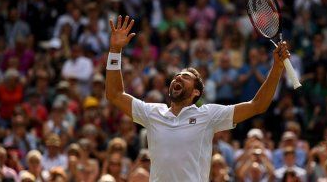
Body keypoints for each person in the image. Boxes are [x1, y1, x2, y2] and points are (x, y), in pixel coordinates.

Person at [105, 15, 291, 181]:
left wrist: (277, 68)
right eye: (177, 76)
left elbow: (258, 105)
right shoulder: (152, 112)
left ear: (196, 92)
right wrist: (115, 51)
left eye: (185, 77)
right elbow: (114, 94)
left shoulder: (208, 115)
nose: (178, 77)